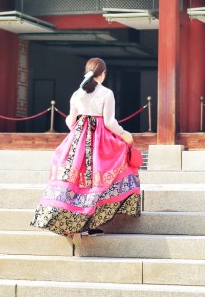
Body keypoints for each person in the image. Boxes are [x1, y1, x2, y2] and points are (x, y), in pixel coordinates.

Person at [31, 57, 141, 236]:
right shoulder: (106, 93)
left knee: (75, 178)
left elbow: (70, 120)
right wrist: (124, 134)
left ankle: (66, 219)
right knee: (98, 177)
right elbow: (109, 122)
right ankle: (91, 223)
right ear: (103, 74)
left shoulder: (77, 93)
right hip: (100, 140)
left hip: (78, 138)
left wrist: (78, 132)